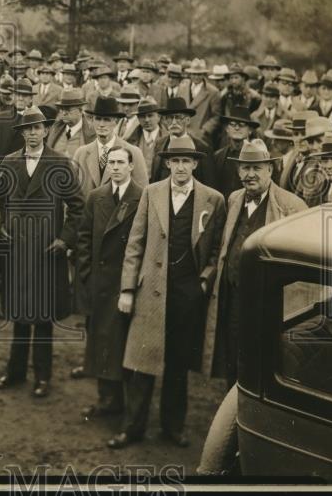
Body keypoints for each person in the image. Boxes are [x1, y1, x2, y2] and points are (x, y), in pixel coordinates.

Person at [109, 135, 227, 449]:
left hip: (187, 293)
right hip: (151, 290)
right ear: (168, 164)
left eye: (187, 161)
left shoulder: (213, 199)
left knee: (177, 362)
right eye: (176, 161)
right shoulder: (152, 193)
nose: (181, 167)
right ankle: (132, 427)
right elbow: (135, 243)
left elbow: (217, 249)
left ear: (195, 164)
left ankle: (172, 427)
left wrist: (203, 281)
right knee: (141, 362)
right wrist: (127, 289)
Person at [0, 107, 84, 398]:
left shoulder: (60, 163)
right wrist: (1, 226)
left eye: (37, 128)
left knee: (43, 317)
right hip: (18, 251)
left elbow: (78, 206)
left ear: (45, 131)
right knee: (19, 315)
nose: (32, 133)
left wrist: (64, 240)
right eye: (27, 129)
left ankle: (42, 376)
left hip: (46, 252)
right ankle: (15, 371)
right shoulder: (9, 162)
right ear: (21, 133)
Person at [201, 140, 306, 389]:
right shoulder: (234, 199)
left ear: (270, 169)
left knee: (260, 362)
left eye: (257, 168)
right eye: (245, 168)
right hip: (232, 297)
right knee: (232, 356)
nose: (250, 174)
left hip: (266, 302)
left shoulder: (291, 206)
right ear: (238, 171)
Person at [75, 146, 143, 420]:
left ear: (131, 166)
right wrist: (87, 274)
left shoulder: (142, 196)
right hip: (100, 283)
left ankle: (128, 406)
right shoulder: (96, 197)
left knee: (125, 345)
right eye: (111, 163)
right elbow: (83, 237)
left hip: (126, 283)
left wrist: (132, 284)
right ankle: (107, 400)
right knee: (102, 342)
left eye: (120, 162)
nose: (115, 167)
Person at [72, 97, 149, 198]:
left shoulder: (133, 152)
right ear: (92, 121)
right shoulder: (81, 153)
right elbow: (71, 192)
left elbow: (143, 194)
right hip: (87, 208)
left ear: (116, 122)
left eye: (107, 120)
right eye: (98, 119)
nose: (101, 124)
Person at [45, 89, 95, 159]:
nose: (64, 113)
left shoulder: (92, 133)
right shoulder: (55, 129)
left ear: (80, 111)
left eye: (68, 110)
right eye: (62, 109)